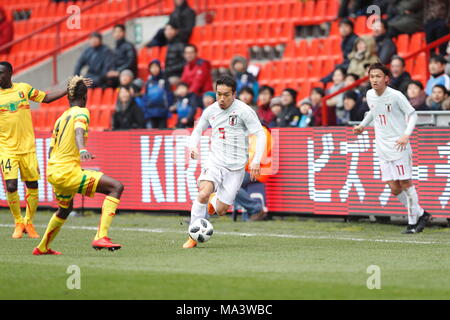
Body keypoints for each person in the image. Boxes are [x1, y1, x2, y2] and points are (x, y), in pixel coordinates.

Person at [33, 76, 125, 255]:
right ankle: (101, 236)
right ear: (85, 97)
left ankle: (42, 247)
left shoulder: (61, 118)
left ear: (68, 96)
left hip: (53, 171)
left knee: (65, 209)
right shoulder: (82, 112)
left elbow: (52, 149)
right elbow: (78, 131)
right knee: (116, 187)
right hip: (67, 172)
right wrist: (82, 149)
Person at [183, 76, 266, 248]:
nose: (221, 98)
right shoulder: (211, 110)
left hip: (236, 168)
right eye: (218, 94)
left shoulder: (244, 111)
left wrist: (257, 160)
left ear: (234, 94)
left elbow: (260, 134)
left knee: (221, 211)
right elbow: (197, 130)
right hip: (215, 161)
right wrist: (192, 147)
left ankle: (214, 201)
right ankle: (193, 234)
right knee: (203, 193)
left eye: (226, 95)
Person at [0, 61, 77, 239]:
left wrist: (67, 89)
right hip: (6, 149)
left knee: (32, 185)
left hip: (27, 148)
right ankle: (18, 222)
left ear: (10, 73)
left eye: (1, 73)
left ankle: (29, 222)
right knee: (11, 185)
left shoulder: (23, 89)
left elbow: (46, 98)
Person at [353, 63, 431, 234]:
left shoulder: (396, 96)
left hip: (399, 146)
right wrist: (362, 125)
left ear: (386, 79)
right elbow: (373, 111)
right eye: (372, 76)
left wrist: (406, 135)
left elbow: (412, 114)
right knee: (394, 188)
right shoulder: (370, 95)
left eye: (378, 76)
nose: (374, 79)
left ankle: (412, 224)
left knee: (405, 183)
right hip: (382, 147)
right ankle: (422, 214)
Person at [321, 18, 358, 84]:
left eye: (346, 26)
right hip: (347, 64)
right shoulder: (345, 40)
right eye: (341, 27)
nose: (343, 29)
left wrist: (340, 66)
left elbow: (352, 58)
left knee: (336, 71)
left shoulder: (355, 39)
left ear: (351, 28)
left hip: (352, 65)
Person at [143, 60, 173, 129]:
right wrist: (146, 109)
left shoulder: (165, 80)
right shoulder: (148, 82)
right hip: (150, 112)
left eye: (156, 67)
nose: (154, 69)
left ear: (160, 68)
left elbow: (169, 95)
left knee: (162, 132)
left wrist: (168, 107)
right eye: (152, 67)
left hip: (163, 112)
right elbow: (145, 96)